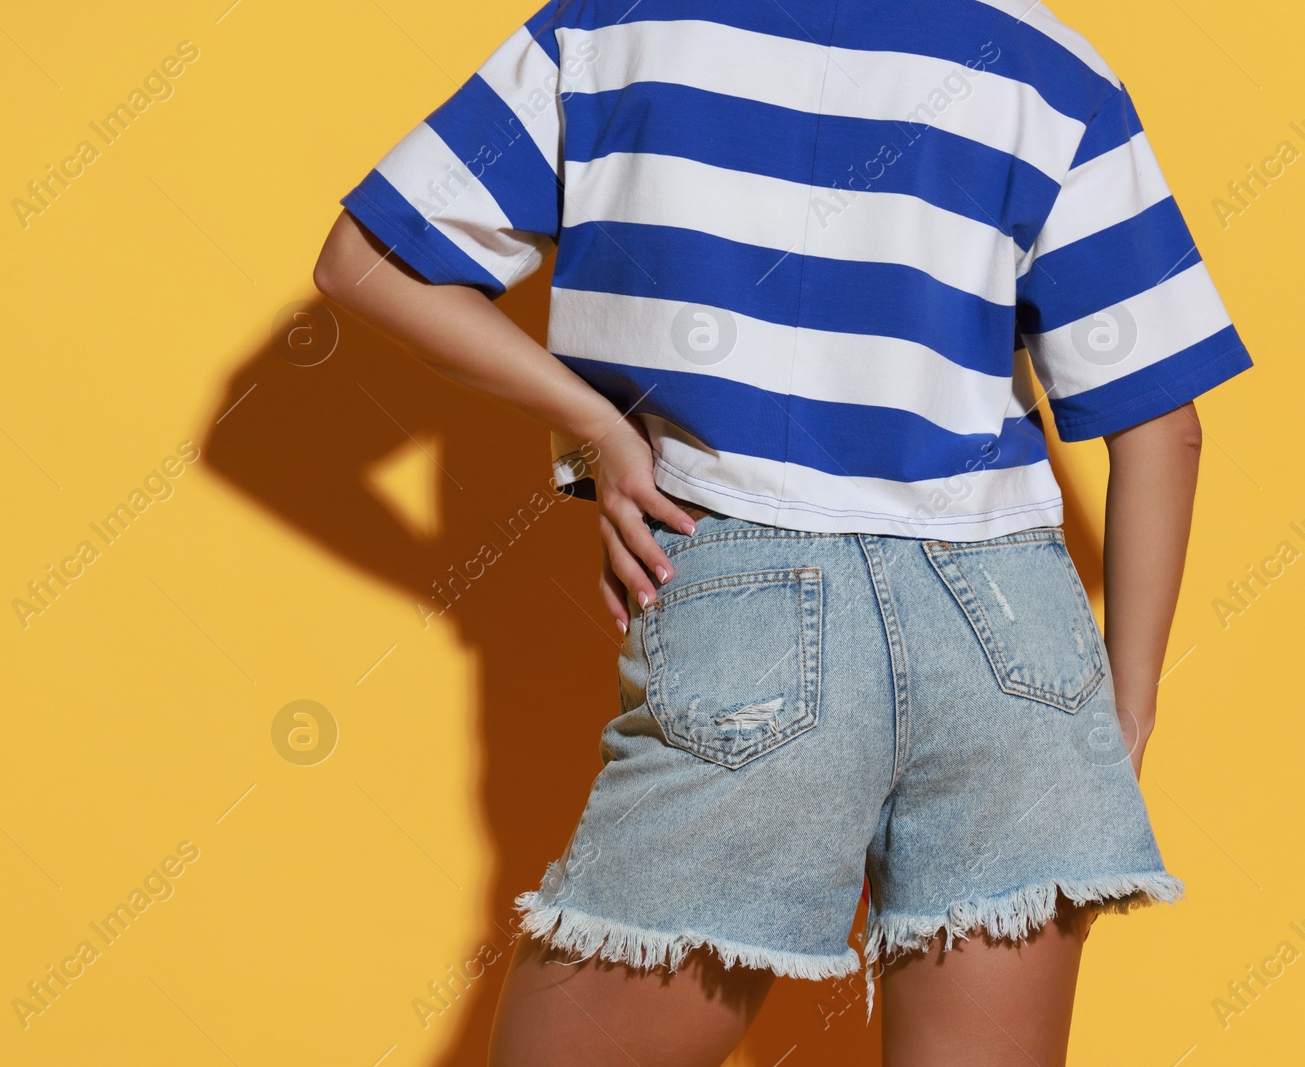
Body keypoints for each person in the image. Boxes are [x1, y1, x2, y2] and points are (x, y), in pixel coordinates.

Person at [311, 1, 1252, 1063]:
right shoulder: (1046, 60)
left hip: (754, 606)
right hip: (1018, 642)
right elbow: (1162, 425)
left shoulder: (611, 25)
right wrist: (1124, 707)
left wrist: (598, 426)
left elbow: (367, 262)